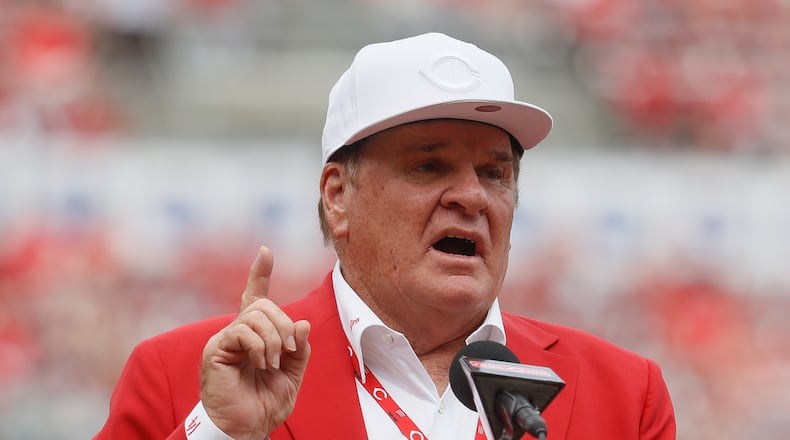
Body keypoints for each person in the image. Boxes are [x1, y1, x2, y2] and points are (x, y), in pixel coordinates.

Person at [95, 32, 676, 440]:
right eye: (429, 167)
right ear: (338, 196)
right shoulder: (186, 377)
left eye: (495, 173)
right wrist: (221, 433)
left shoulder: (624, 392)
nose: (471, 197)